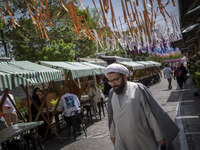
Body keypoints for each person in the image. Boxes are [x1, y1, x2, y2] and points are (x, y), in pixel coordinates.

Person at [105, 63, 179, 150]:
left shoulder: (138, 88)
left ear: (124, 76)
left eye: (115, 80)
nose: (113, 84)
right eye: (110, 81)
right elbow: (112, 117)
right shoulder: (112, 93)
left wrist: (160, 137)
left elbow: (150, 114)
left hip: (142, 139)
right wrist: (112, 135)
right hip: (120, 141)